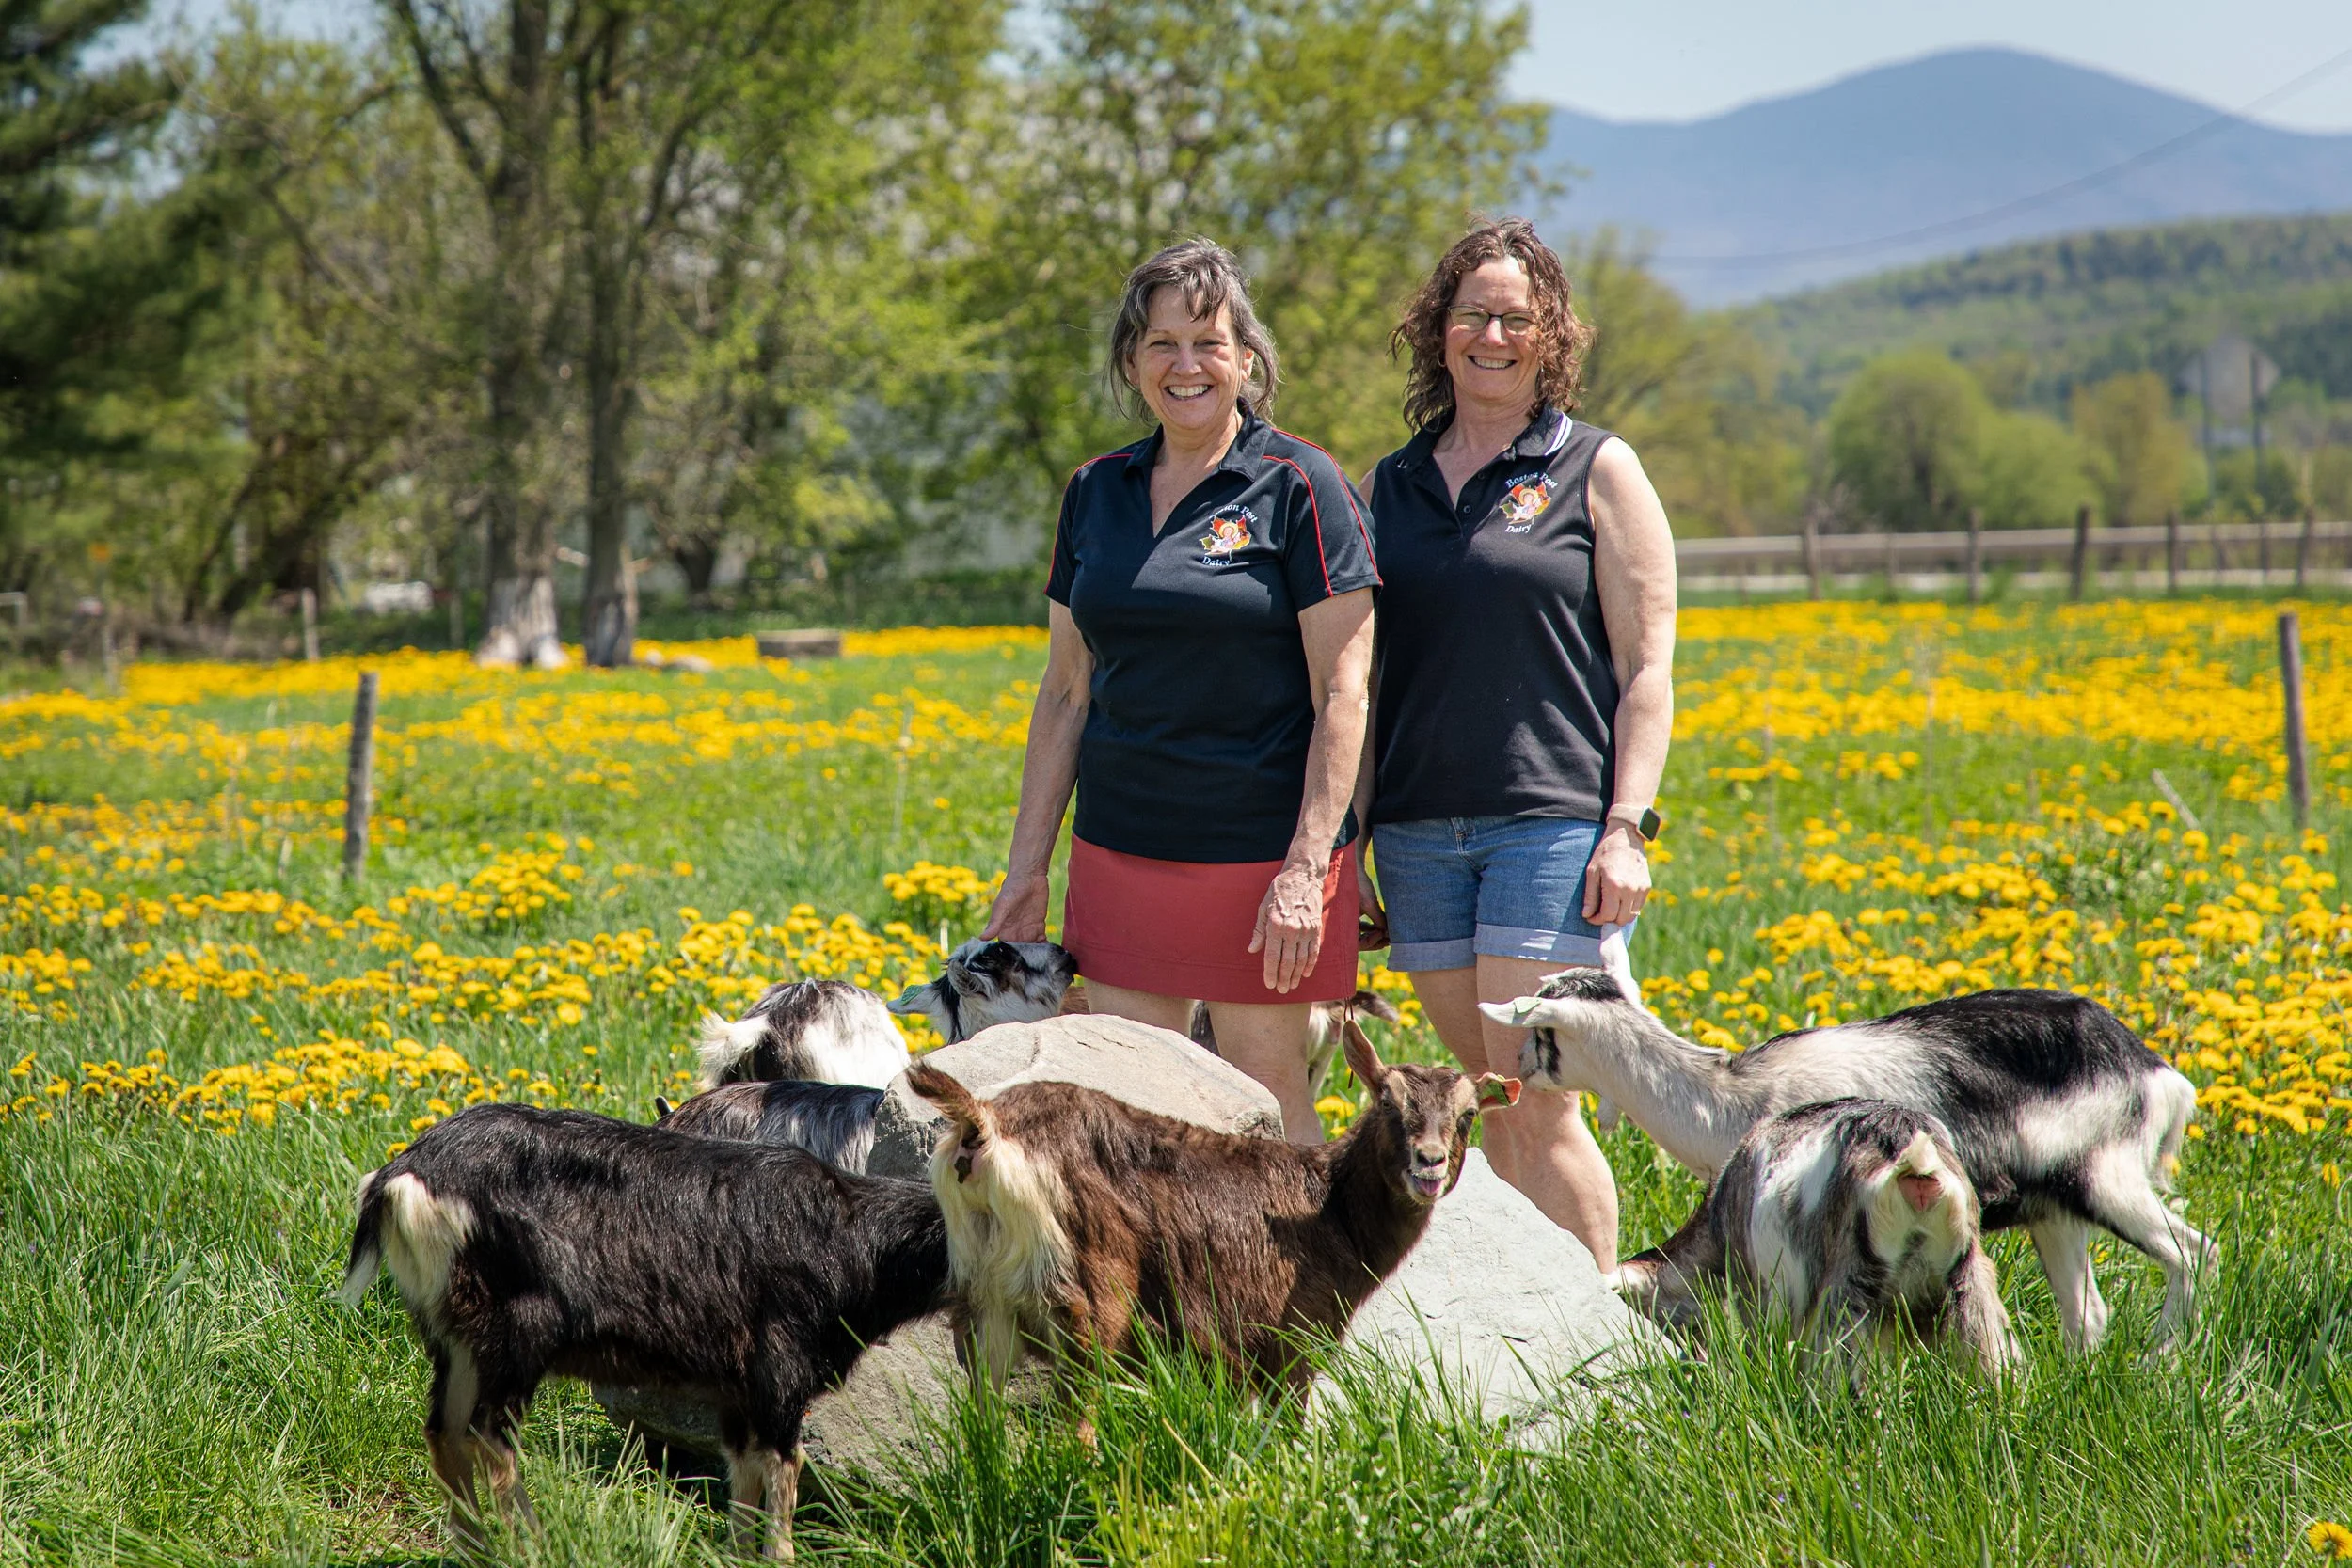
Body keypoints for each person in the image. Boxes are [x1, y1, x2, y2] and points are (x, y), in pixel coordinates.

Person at [982, 239, 1379, 1145]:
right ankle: (1168, 1293)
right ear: (1131, 363)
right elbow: (1066, 693)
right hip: (1124, 848)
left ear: (1248, 358)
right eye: (1160, 344)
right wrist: (1026, 872)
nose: (1186, 365)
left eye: (1209, 341)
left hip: (1266, 859)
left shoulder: (1302, 486)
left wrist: (1306, 868)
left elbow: (1344, 691)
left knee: (1264, 1102)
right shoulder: (1094, 491)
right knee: (1138, 1106)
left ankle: (1304, 1294)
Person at [1355, 218, 1677, 1269]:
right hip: (1415, 834)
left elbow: (1646, 671)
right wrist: (1345, 843)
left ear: (1550, 336)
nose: (1490, 334)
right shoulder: (1388, 487)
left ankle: (1601, 1343)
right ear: (1436, 332)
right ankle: (1521, 1342)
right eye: (1470, 314)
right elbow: (1361, 680)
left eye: (1514, 317)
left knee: (1536, 1102)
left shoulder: (1597, 465)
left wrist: (1625, 826)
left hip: (1547, 826)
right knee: (1480, 1100)